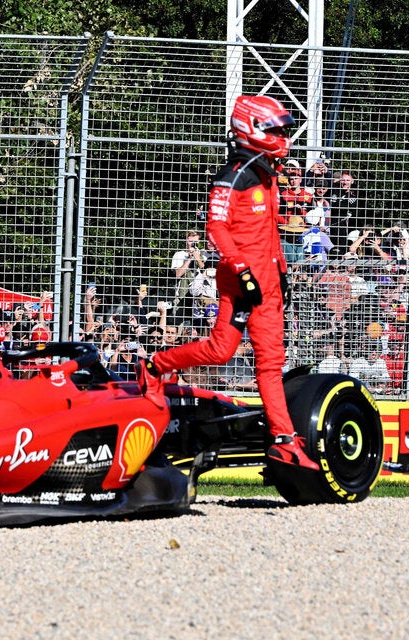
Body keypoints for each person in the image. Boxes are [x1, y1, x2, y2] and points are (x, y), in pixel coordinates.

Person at [141, 94, 317, 470]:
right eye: (276, 128)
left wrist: (282, 273)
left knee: (272, 362)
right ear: (251, 128)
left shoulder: (268, 171)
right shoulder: (233, 175)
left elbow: (269, 232)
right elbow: (215, 227)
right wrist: (240, 270)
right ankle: (156, 364)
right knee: (222, 350)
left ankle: (284, 440)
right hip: (242, 282)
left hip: (270, 282)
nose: (283, 135)